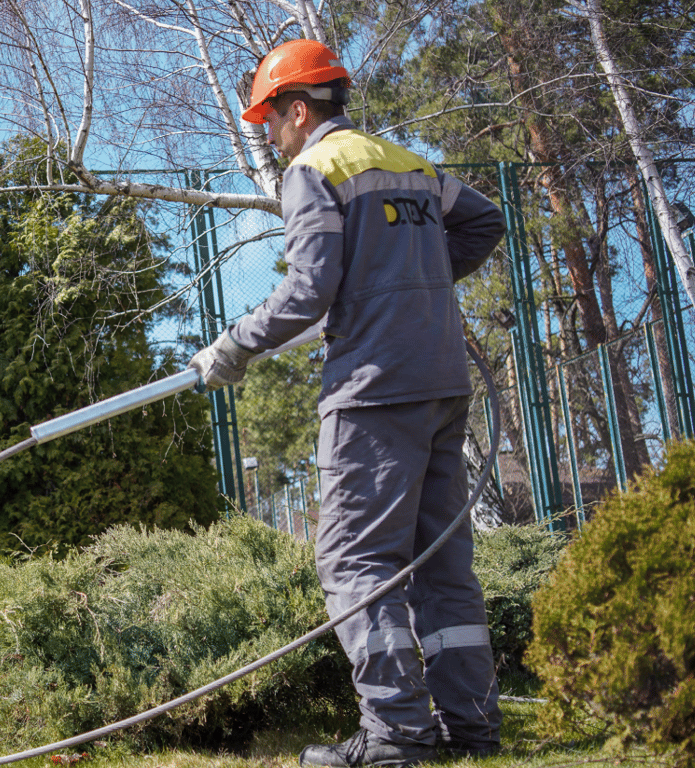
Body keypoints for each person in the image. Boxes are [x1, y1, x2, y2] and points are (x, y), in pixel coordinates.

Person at [189, 39, 507, 767]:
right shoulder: (407, 162)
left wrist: (232, 347)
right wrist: (412, 281)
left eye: (270, 121)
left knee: (356, 560)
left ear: (298, 110)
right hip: (439, 381)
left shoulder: (314, 170)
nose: (269, 138)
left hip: (373, 389)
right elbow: (485, 221)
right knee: (441, 563)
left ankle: (396, 734)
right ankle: (470, 725)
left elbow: (308, 289)